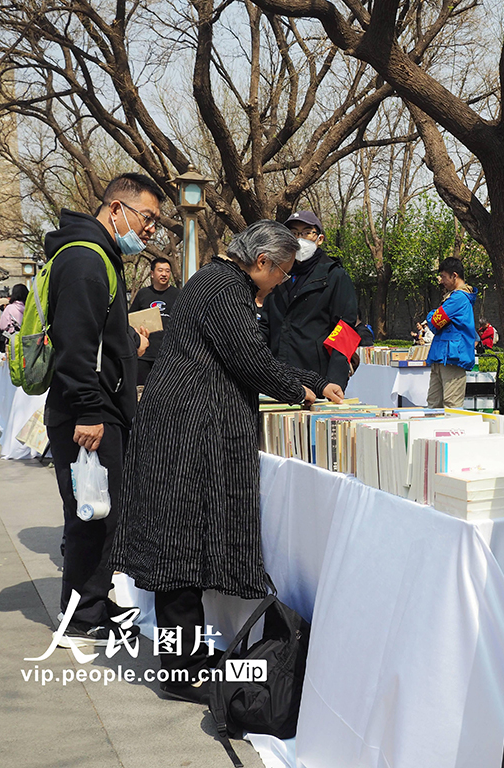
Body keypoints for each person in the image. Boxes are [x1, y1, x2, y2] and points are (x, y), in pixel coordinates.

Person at [110, 220, 344, 704]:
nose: (283, 280)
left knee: (182, 547)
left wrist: (315, 381)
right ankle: (181, 673)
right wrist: (300, 389)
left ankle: (189, 659)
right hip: (185, 427)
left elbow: (250, 355)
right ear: (262, 262)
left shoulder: (217, 280)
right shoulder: (224, 288)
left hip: (186, 422)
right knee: (177, 551)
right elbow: (251, 360)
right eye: (282, 272)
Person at [44, 172, 157, 649]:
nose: (150, 229)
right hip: (88, 412)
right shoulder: (86, 260)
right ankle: (80, 616)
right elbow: (74, 346)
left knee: (102, 513)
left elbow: (97, 334)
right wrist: (89, 411)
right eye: (146, 217)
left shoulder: (98, 256)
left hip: (99, 405)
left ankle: (93, 600)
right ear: (116, 209)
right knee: (92, 514)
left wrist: (127, 342)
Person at [260, 210, 359, 391]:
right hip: (276, 377)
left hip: (318, 379)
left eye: (306, 232)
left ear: (319, 239)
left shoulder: (334, 275)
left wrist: (335, 380)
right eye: (293, 233)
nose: (299, 239)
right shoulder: (277, 274)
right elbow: (265, 324)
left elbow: (345, 330)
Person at [425, 257, 478, 409]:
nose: (441, 281)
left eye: (443, 277)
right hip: (443, 357)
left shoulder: (458, 298)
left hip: (452, 358)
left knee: (451, 406)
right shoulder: (455, 298)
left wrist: (431, 314)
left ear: (454, 276)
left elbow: (434, 322)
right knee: (434, 405)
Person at [129, 256, 180, 385]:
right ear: (152, 273)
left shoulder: (178, 294)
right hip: (144, 355)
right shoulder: (143, 294)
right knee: (141, 390)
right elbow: (131, 320)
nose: (164, 274)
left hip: (169, 356)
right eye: (160, 270)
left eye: (167, 271)